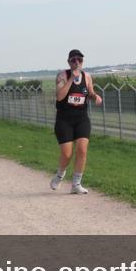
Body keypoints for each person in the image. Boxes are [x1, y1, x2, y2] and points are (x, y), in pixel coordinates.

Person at [49, 49, 102, 195]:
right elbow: (60, 97)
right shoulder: (62, 76)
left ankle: (76, 184)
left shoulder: (87, 76)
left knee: (82, 150)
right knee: (67, 154)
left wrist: (95, 96)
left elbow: (89, 92)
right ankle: (59, 176)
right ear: (69, 62)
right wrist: (72, 78)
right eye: (74, 60)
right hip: (64, 119)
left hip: (81, 118)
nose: (77, 62)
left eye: (80, 60)